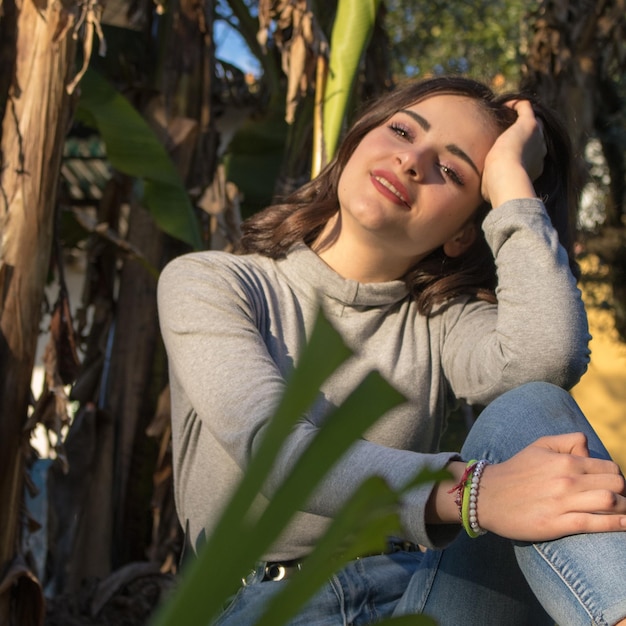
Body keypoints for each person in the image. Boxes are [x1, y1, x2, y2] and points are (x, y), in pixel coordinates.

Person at [157, 76, 626, 625]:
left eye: (452, 171)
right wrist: (475, 493)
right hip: (264, 602)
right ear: (356, 142)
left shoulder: (443, 324)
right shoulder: (215, 283)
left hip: (420, 596)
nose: (412, 161)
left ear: (462, 234)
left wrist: (511, 184)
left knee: (531, 409)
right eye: (402, 130)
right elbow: (275, 451)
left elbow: (549, 358)